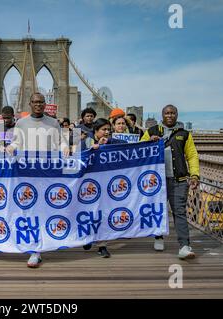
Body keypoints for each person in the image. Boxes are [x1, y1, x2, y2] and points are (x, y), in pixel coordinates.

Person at [6, 92, 69, 268]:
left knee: (46, 209)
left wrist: (65, 148)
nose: (38, 105)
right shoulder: (21, 123)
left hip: (48, 174)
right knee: (30, 210)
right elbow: (17, 143)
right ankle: (35, 249)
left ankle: (45, 242)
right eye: (35, 102)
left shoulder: (53, 122)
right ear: (30, 103)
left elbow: (61, 141)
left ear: (45, 104)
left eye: (41, 102)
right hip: (27, 173)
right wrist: (10, 147)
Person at [140, 104, 199, 260]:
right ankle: (158, 237)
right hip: (157, 182)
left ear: (177, 115)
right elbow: (139, 152)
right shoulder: (151, 132)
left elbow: (192, 156)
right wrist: (149, 143)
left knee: (179, 211)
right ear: (162, 115)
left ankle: (184, 246)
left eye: (173, 113)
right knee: (158, 210)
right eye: (167, 113)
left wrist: (194, 175)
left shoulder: (185, 134)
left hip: (178, 180)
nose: (170, 115)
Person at [83, 118, 126, 258]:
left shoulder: (112, 141)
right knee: (88, 212)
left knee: (103, 212)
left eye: (109, 129)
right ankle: (87, 237)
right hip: (86, 184)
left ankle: (102, 245)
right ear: (95, 131)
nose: (107, 132)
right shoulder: (84, 139)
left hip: (105, 184)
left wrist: (150, 141)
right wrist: (93, 147)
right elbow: (74, 153)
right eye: (104, 130)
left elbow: (128, 145)